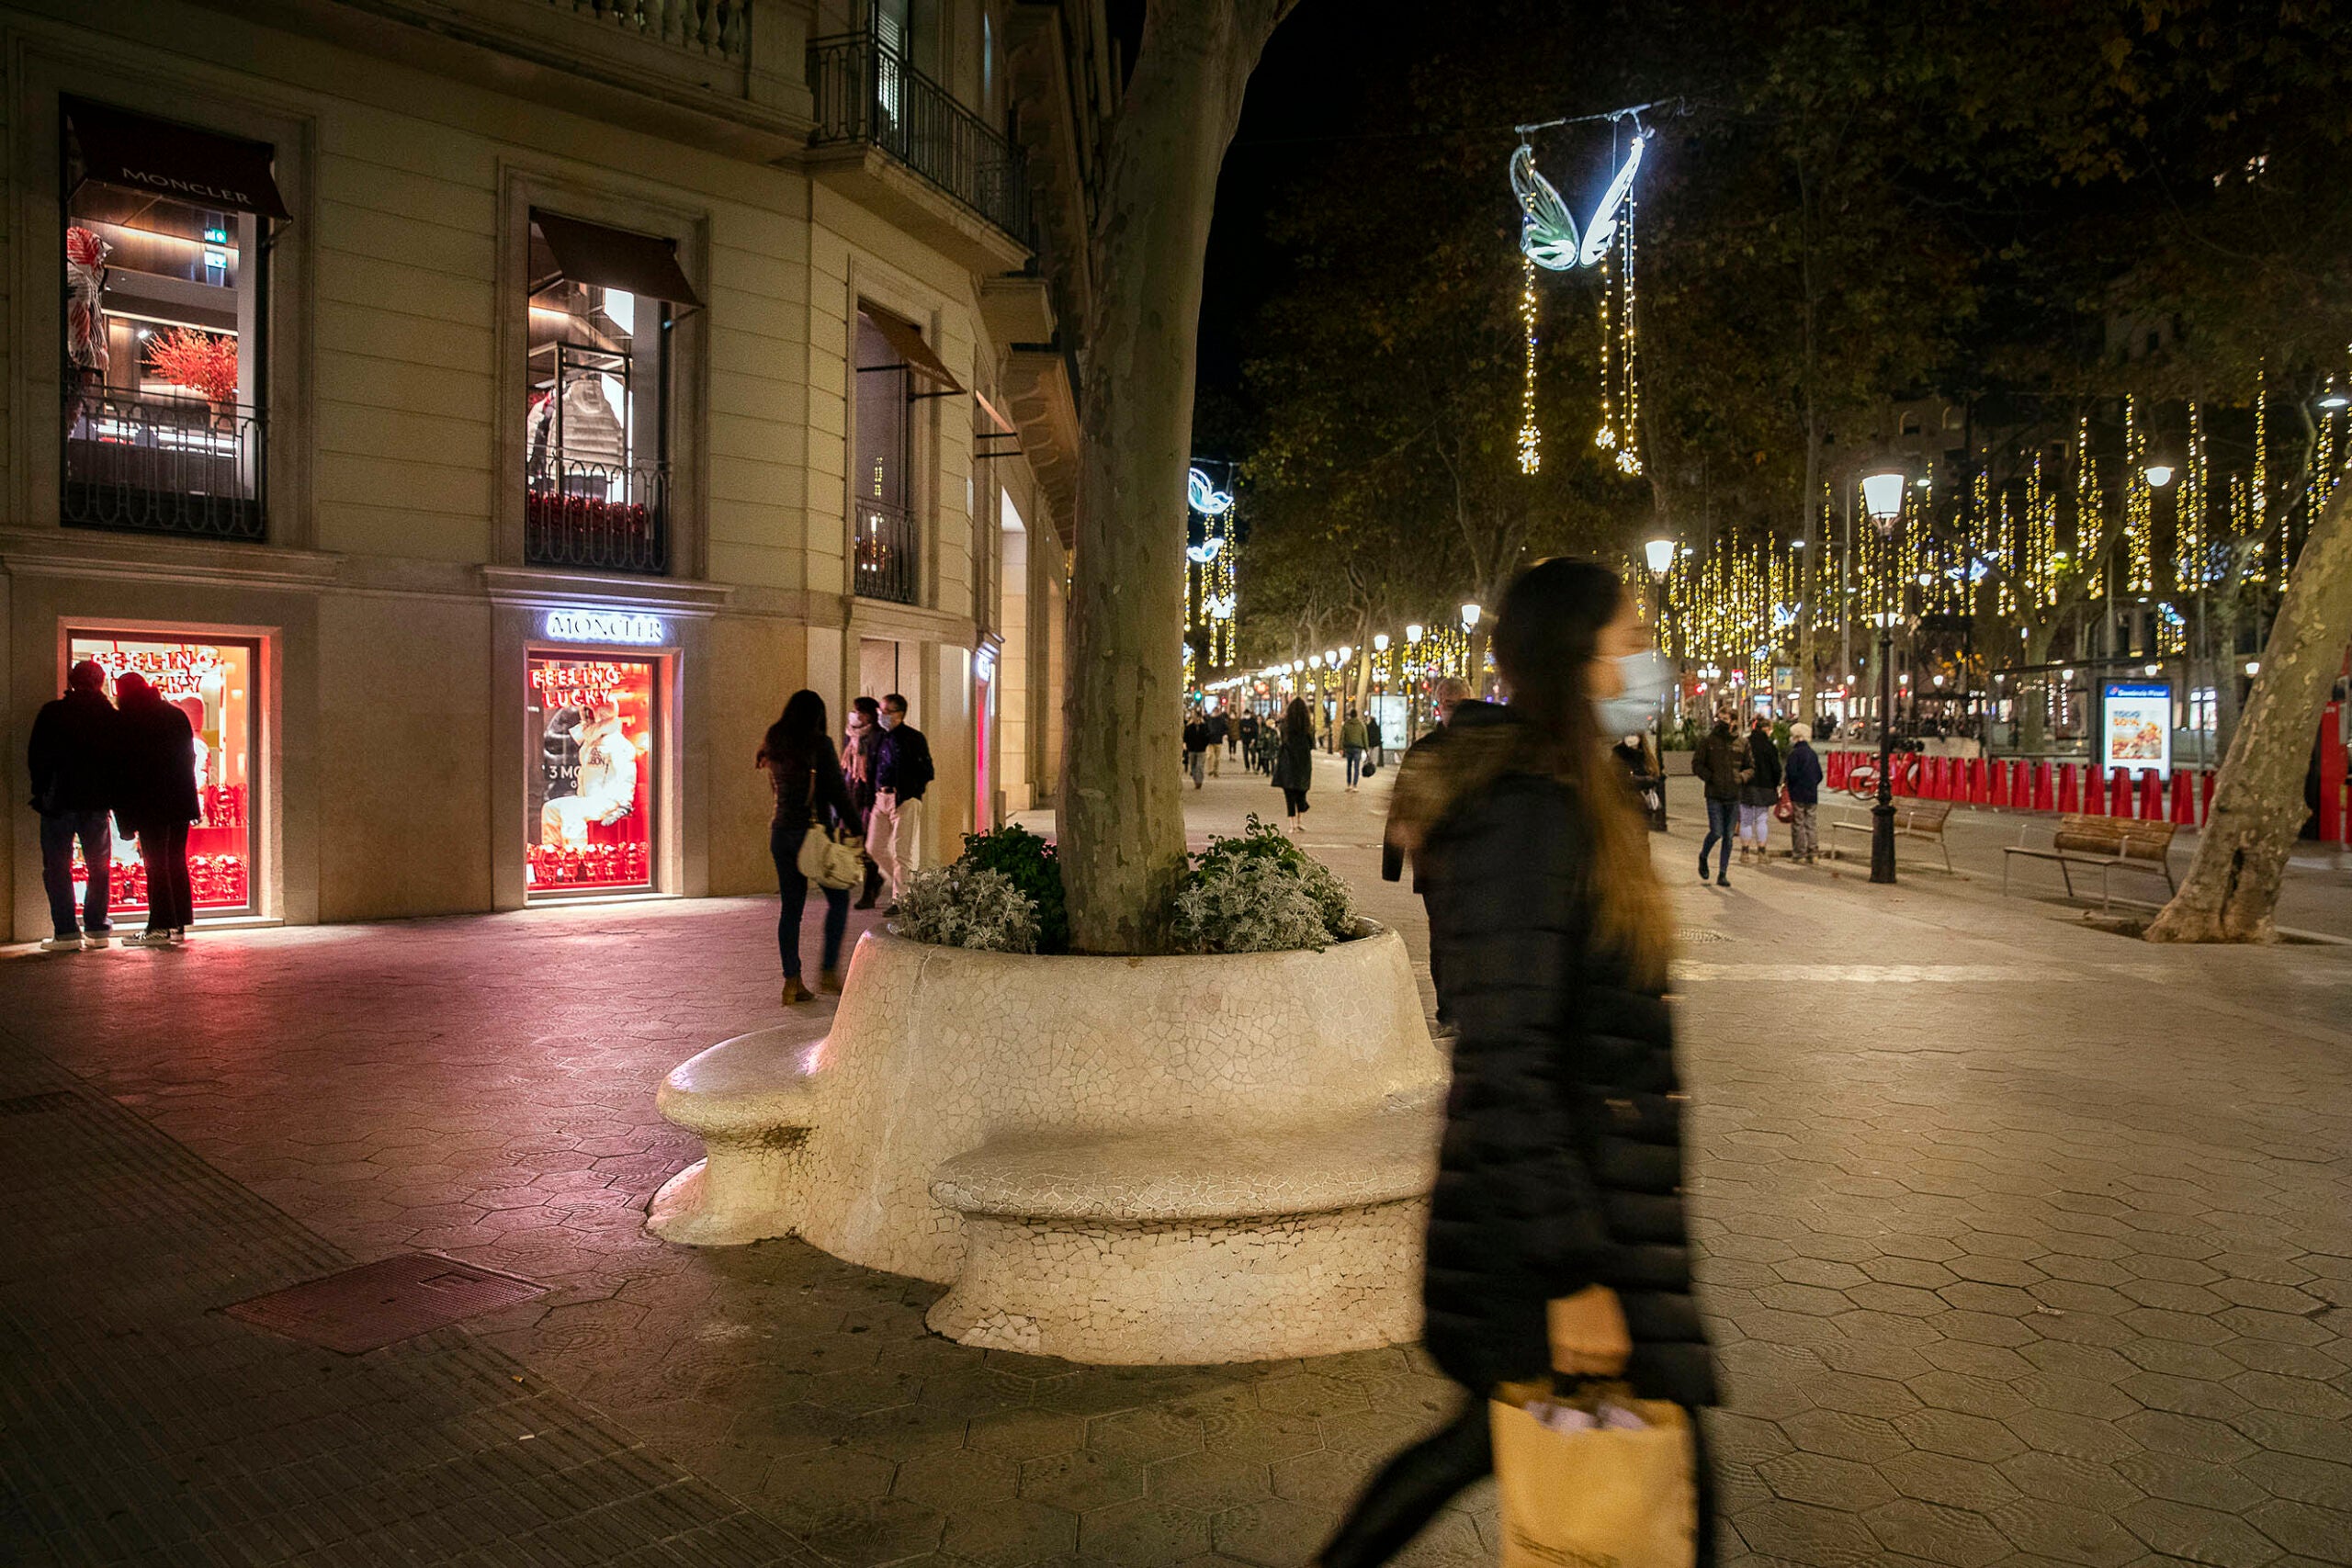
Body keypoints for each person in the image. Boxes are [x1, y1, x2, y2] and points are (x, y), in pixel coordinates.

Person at [1319, 558, 1713, 1568]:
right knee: (1660, 1495)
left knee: (1478, 1445)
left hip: (1587, 1209)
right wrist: (1575, 1273)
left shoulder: (1573, 794)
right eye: (1630, 641)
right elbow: (1507, 1055)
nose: (1648, 662)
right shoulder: (1531, 813)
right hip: (1562, 1226)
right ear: (1575, 660)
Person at [759, 691, 858, 1004]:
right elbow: (837, 793)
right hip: (811, 835)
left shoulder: (774, 742)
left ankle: (792, 982)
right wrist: (857, 829)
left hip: (780, 832)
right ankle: (828, 972)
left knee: (791, 910)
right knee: (839, 899)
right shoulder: (818, 744)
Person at [28, 659, 120, 952]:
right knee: (99, 865)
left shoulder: (53, 713)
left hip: (59, 800)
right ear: (100, 682)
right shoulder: (109, 716)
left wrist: (42, 791)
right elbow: (119, 762)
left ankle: (66, 930)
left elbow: (37, 757)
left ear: (71, 681)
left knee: (57, 865)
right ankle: (96, 925)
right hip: (96, 801)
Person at [112, 671, 199, 946]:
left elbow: (125, 771)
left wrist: (125, 820)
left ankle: (160, 925)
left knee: (156, 864)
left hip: (150, 803)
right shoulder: (174, 714)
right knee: (175, 861)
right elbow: (189, 757)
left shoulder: (130, 720)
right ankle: (179, 922)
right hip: (180, 800)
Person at [869, 693, 933, 911]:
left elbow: (927, 771)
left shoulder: (913, 738)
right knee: (873, 847)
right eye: (881, 711)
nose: (882, 715)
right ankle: (905, 884)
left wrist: (912, 790)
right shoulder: (878, 737)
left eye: (887, 712)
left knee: (901, 852)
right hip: (880, 797)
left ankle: (901, 899)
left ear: (900, 714)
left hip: (905, 799)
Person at [842, 695, 886, 908]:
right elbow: (845, 767)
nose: (856, 715)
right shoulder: (850, 735)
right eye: (855, 710)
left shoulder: (878, 736)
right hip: (853, 796)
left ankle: (869, 888)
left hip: (871, 797)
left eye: (861, 712)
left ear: (870, 715)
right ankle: (873, 881)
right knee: (857, 843)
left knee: (870, 844)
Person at [1690, 711, 1744, 886]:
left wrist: (1741, 778)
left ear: (1734, 722)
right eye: (1720, 719)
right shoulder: (1709, 742)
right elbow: (1697, 764)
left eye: (1726, 719)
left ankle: (1723, 872)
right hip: (1714, 794)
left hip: (1733, 794)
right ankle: (1703, 856)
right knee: (1716, 831)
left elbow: (1750, 766)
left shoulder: (1741, 743)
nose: (1722, 722)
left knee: (1729, 835)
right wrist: (1710, 777)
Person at [1738, 714, 1781, 863]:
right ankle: (1762, 852)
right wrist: (1775, 784)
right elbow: (1777, 769)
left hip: (1747, 785)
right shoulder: (1770, 747)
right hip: (1765, 786)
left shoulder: (1745, 744)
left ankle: (1745, 852)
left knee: (1745, 820)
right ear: (1766, 729)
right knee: (1762, 820)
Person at [1272, 697, 1316, 829]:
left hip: (1288, 761)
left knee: (1289, 793)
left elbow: (1282, 741)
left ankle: (1291, 824)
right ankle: (1299, 821)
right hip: (1303, 762)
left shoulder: (1285, 725)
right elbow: (1311, 745)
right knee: (1301, 791)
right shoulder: (1307, 727)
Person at [1784, 722, 1824, 864]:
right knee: (1811, 823)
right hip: (1812, 794)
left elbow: (1791, 774)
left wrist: (1790, 785)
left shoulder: (1794, 754)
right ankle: (1813, 853)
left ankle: (1799, 853)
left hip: (1797, 793)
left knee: (1798, 824)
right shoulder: (1812, 754)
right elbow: (1819, 775)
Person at [1182, 709, 1213, 788]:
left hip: (1201, 750)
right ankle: (1195, 779)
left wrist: (1205, 745)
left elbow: (1208, 736)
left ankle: (1199, 782)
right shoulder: (1189, 727)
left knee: (1200, 766)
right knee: (1193, 766)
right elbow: (1186, 737)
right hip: (1192, 749)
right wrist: (1186, 745)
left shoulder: (1204, 726)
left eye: (1196, 716)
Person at [1341, 707, 1368, 791]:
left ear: (1350, 715)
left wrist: (1341, 747)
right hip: (1358, 748)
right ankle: (1355, 785)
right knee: (1356, 767)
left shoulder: (1346, 724)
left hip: (1348, 747)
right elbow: (1365, 737)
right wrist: (1366, 749)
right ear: (1356, 715)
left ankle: (1348, 784)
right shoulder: (1361, 725)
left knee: (1349, 766)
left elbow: (1342, 736)